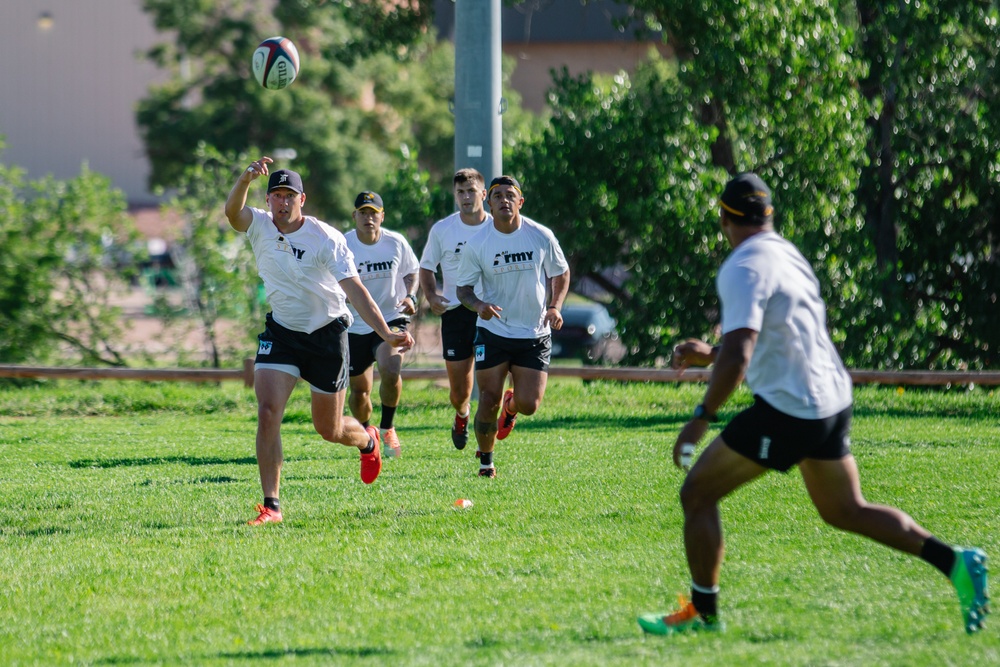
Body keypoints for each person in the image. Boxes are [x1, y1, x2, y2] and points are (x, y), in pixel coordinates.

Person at [637, 173, 990, 635]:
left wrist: (700, 418)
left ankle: (703, 615)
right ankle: (956, 562)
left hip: (789, 410)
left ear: (724, 217)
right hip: (830, 400)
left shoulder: (741, 266)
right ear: (768, 215)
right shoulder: (787, 253)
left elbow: (742, 352)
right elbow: (766, 337)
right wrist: (709, 354)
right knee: (845, 510)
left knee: (697, 493)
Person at [224, 158, 413, 526]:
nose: (282, 202)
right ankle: (272, 505)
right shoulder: (259, 226)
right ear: (267, 201)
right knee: (267, 413)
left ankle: (368, 440)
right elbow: (232, 213)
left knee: (329, 429)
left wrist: (386, 332)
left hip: (327, 334)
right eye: (276, 196)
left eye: (289, 196)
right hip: (282, 333)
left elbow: (354, 290)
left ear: (302, 200)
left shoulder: (326, 237)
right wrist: (245, 178)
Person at [455, 176, 570, 477]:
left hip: (533, 332)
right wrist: (478, 305)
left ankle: (512, 408)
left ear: (520, 202)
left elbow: (561, 272)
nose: (504, 200)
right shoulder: (478, 243)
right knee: (488, 398)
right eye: (497, 196)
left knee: (530, 404)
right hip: (493, 332)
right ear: (488, 203)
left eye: (510, 195)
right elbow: (463, 289)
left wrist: (555, 306)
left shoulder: (540, 235)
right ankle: (486, 463)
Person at [418, 168, 493, 449]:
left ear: (483, 195)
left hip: (490, 312)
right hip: (455, 313)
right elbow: (426, 268)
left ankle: (486, 445)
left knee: (490, 388)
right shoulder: (443, 230)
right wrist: (432, 295)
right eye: (460, 192)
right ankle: (461, 414)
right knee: (459, 392)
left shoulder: (497, 228)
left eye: (471, 191)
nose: (465, 197)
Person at [344, 191, 420, 459]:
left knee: (390, 368)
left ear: (382, 216)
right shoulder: (344, 244)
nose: (368, 218)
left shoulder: (396, 242)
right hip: (354, 325)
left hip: (391, 317)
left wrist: (410, 295)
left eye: (373, 213)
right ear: (354, 216)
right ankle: (368, 433)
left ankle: (387, 427)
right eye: (363, 213)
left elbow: (412, 271)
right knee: (359, 391)